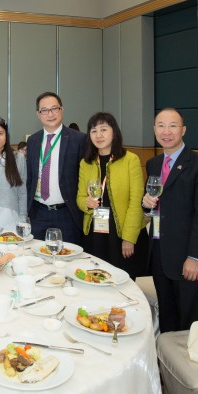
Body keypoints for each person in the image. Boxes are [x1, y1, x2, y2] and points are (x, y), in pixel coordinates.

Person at [140, 108, 198, 332]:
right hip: (160, 254)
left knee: (188, 325)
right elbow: (152, 206)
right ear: (154, 129)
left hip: (187, 259)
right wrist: (146, 203)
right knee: (167, 318)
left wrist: (195, 257)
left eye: (173, 126)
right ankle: (166, 355)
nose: (166, 131)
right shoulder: (153, 164)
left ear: (183, 130)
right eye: (161, 126)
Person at [77, 112, 148, 278]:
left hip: (121, 233)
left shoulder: (130, 160)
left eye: (103, 129)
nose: (98, 135)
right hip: (95, 233)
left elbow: (136, 201)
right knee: (95, 278)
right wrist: (86, 202)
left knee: (122, 279)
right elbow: (79, 197)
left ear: (114, 132)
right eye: (94, 131)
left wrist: (129, 238)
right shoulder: (86, 163)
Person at [26, 92, 86, 245]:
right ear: (38, 114)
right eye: (44, 110)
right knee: (36, 256)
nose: (50, 114)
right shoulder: (33, 140)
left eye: (54, 108)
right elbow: (30, 178)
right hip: (38, 213)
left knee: (69, 256)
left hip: (67, 213)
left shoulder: (79, 139)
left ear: (62, 110)